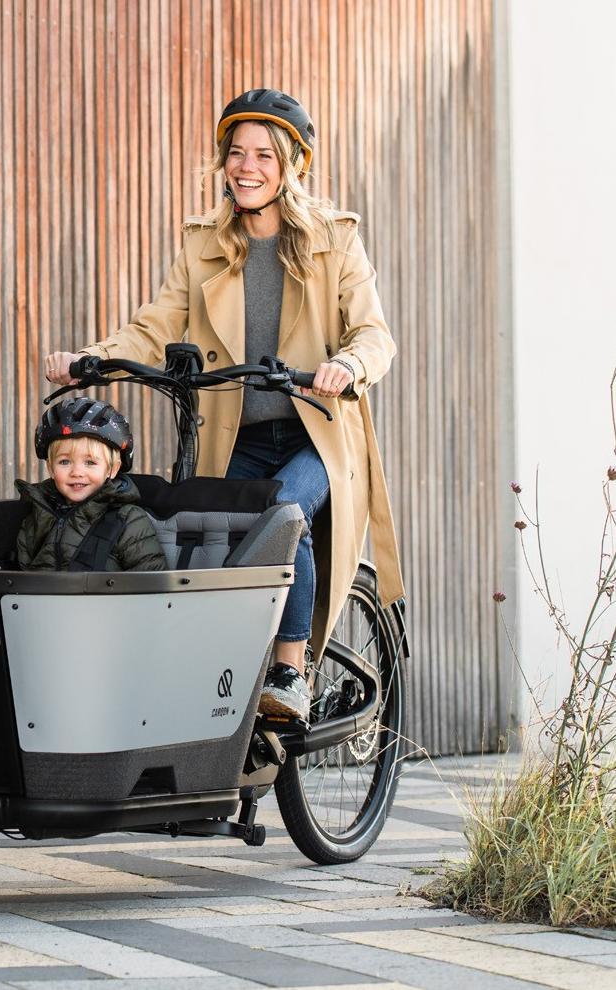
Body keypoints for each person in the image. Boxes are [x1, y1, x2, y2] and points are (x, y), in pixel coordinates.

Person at [45, 88, 404, 720]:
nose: (247, 167)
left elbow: (374, 334)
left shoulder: (336, 239)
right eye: (236, 153)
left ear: (293, 165)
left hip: (313, 434)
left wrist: (347, 365)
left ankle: (290, 671)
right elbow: (155, 324)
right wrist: (92, 360)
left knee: (283, 514)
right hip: (233, 436)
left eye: (265, 155)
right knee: (202, 541)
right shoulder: (203, 241)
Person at [16, 397, 167, 572]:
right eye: (65, 462)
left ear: (112, 468)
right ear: (50, 468)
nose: (77, 472)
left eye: (90, 463)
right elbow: (22, 578)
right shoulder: (36, 518)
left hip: (109, 599)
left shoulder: (127, 520)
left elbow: (150, 582)